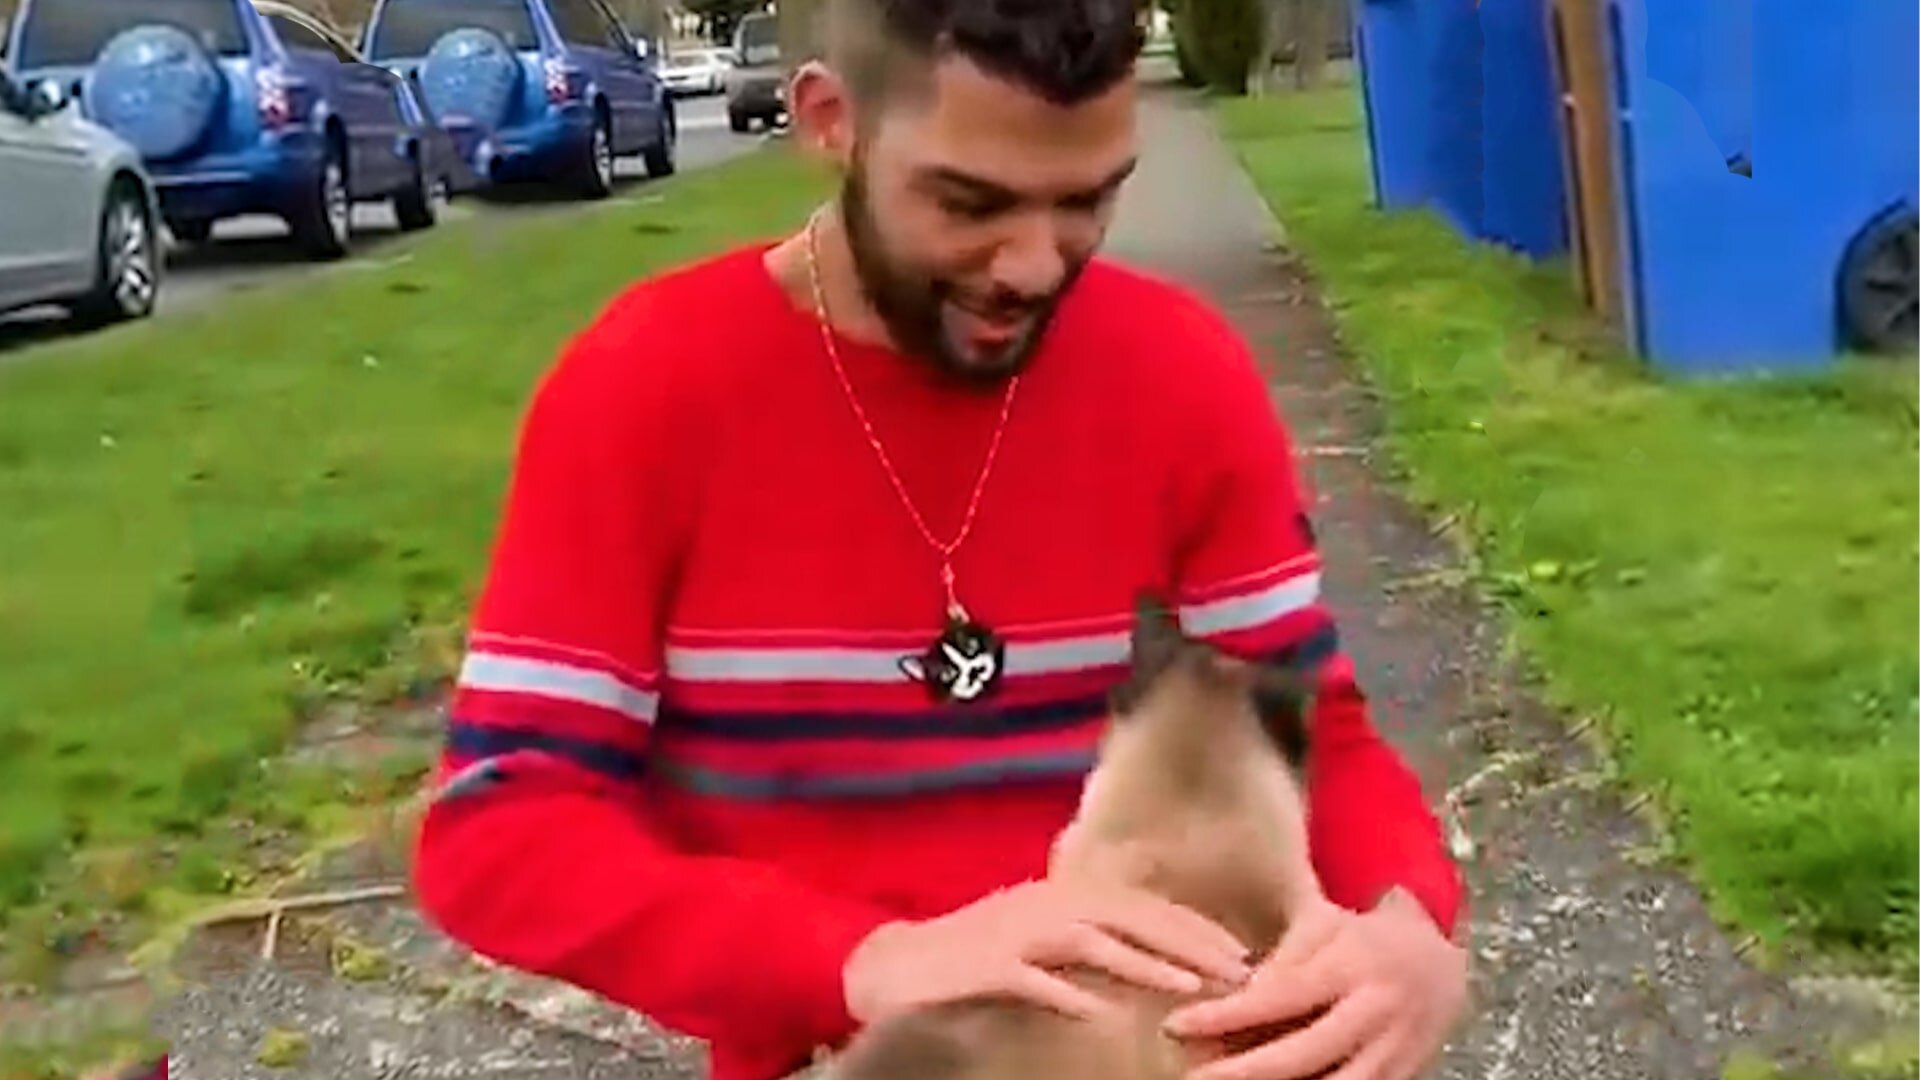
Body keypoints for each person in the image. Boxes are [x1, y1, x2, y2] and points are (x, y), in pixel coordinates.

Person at [411, 0, 1470, 1077]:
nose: (1035, 266)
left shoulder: (1184, 375)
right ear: (831, 121)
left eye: (1088, 201)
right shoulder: (643, 391)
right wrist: (862, 960)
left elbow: (1312, 727)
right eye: (970, 204)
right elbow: (505, 826)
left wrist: (1410, 929)